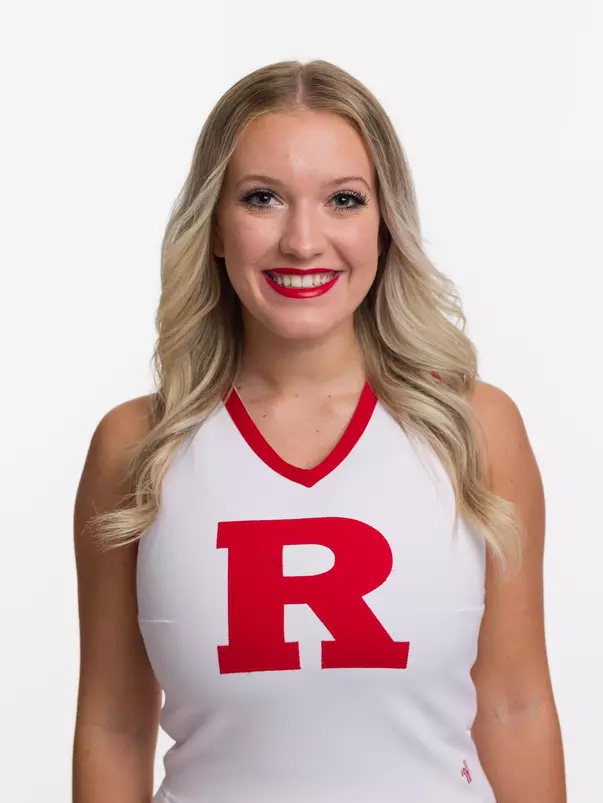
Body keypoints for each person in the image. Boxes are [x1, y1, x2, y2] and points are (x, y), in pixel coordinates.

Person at [72, 60, 566, 802]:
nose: (303, 241)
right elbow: (114, 723)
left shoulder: (474, 430)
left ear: (384, 223)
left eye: (342, 200)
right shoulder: (137, 447)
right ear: (212, 224)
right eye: (262, 198)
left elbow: (514, 704)